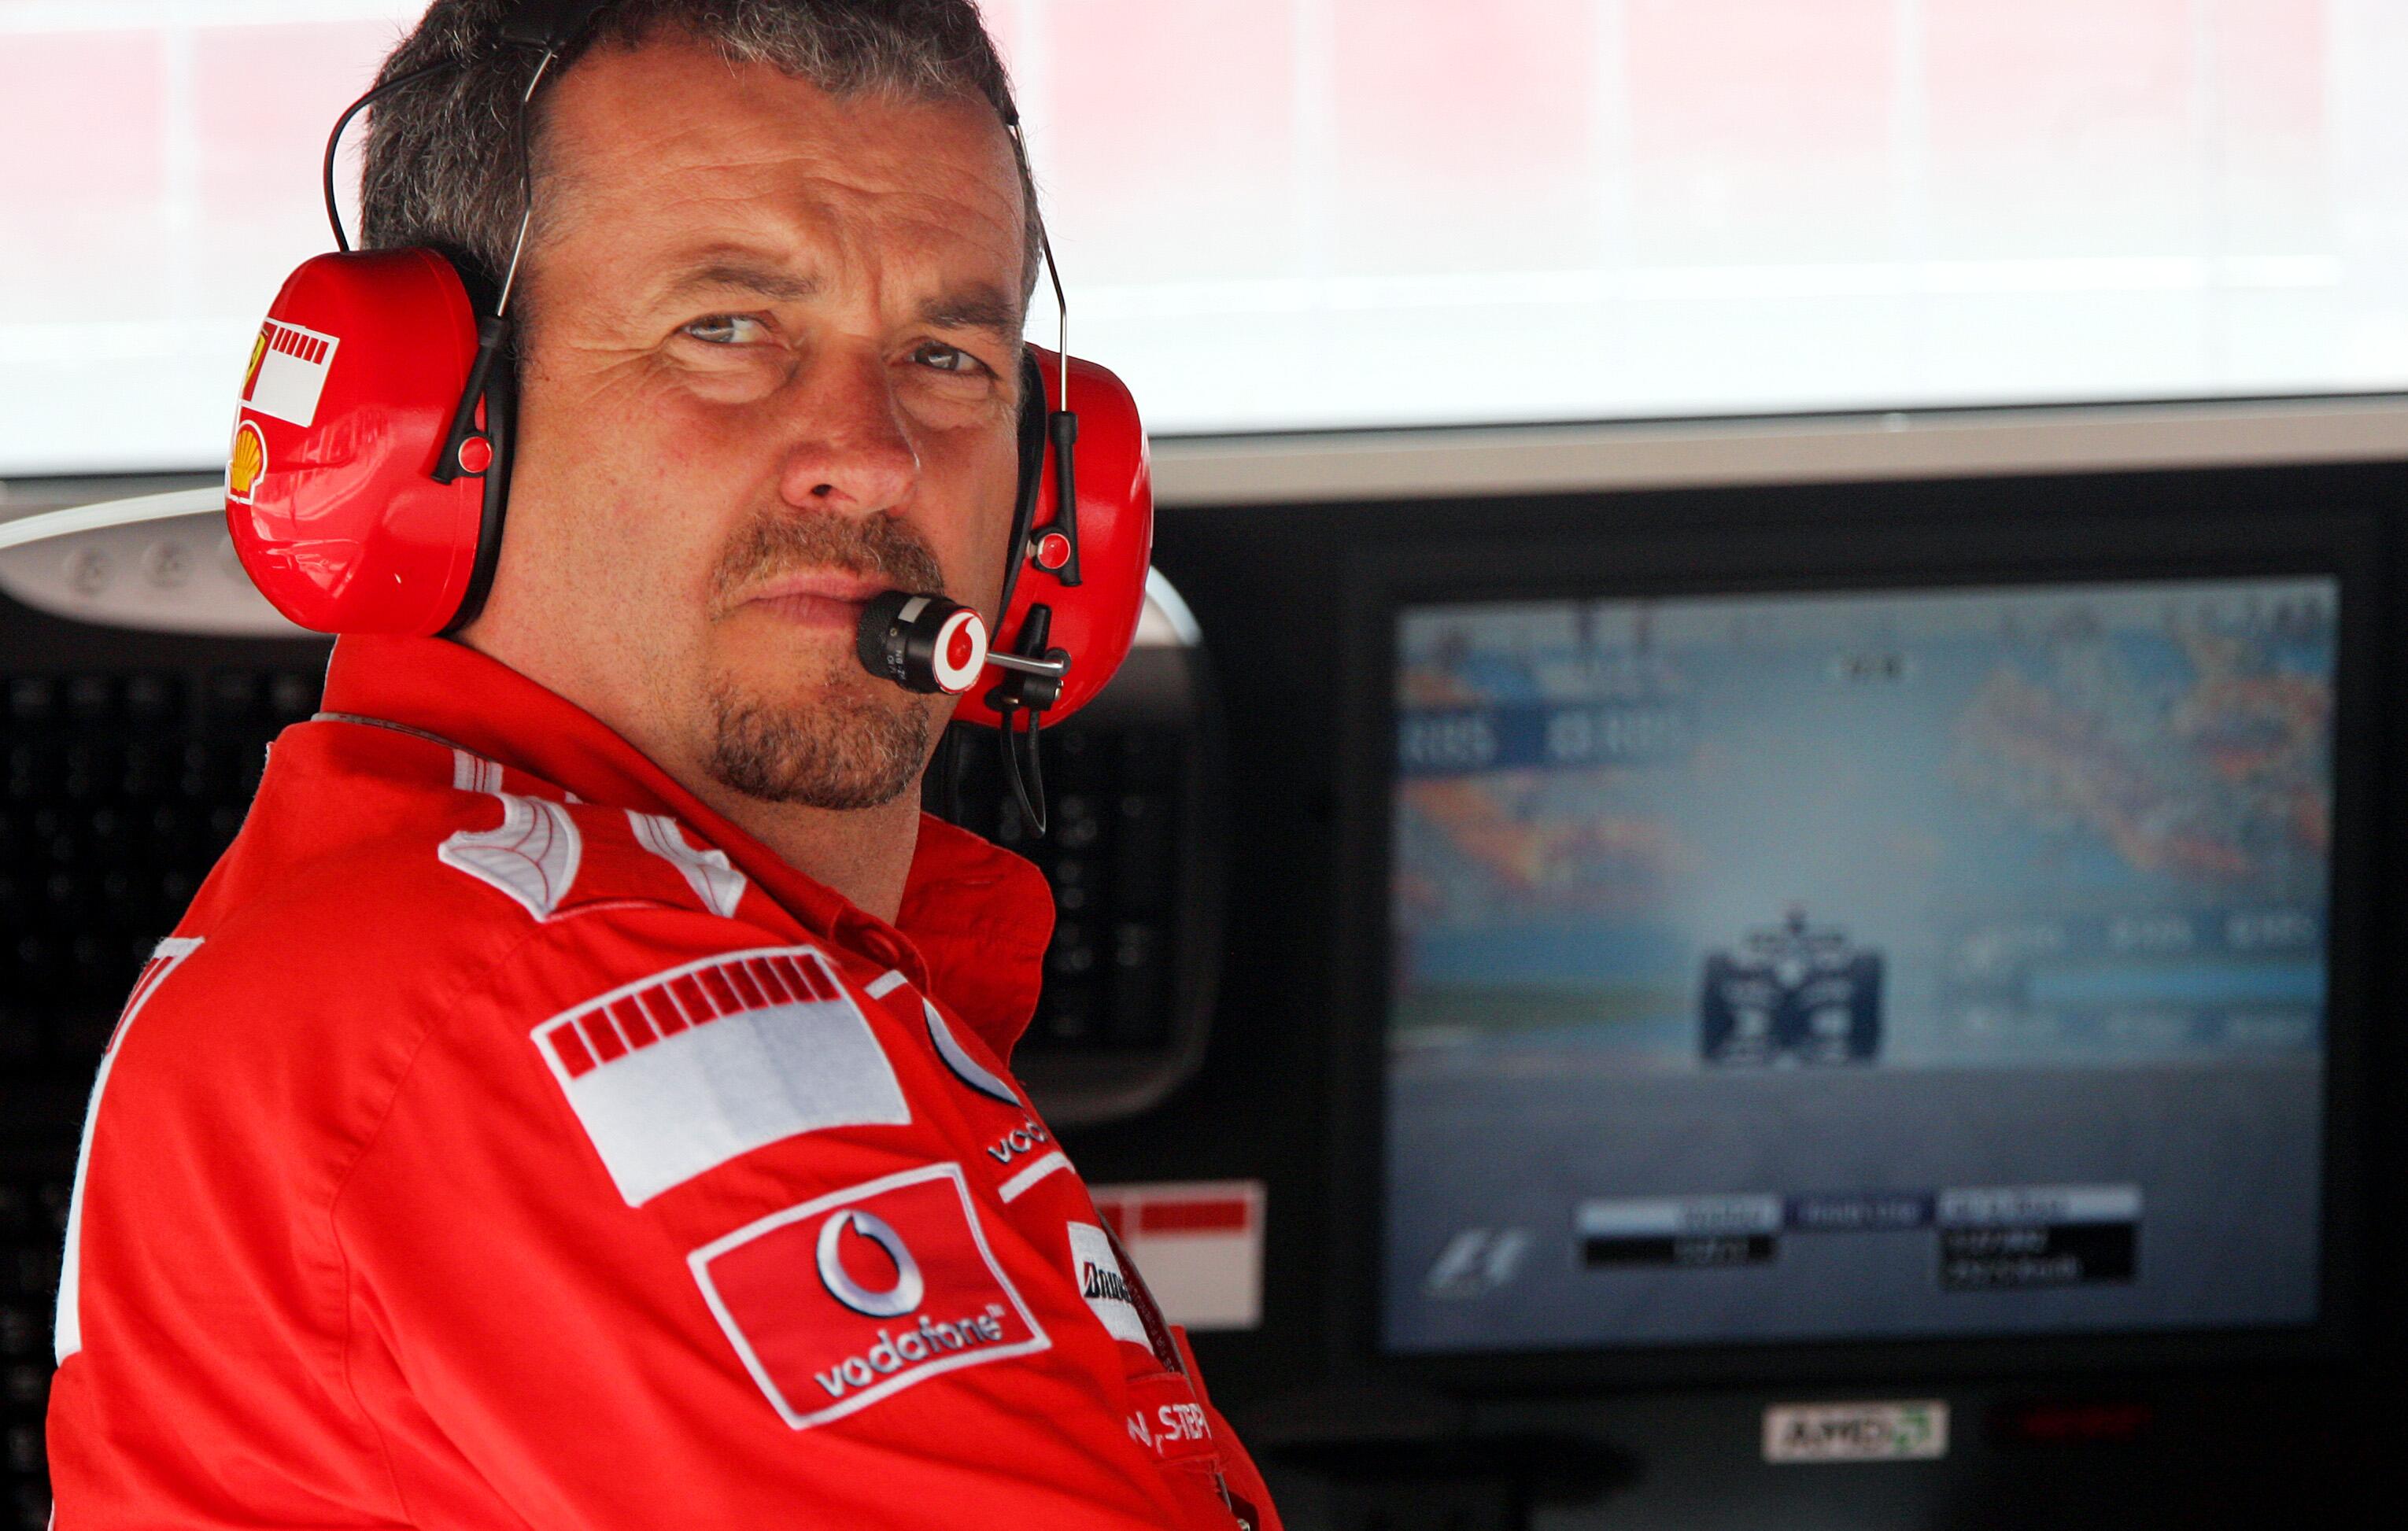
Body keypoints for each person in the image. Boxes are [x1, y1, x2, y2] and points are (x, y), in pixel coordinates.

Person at [44, 2, 1276, 1526]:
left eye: (945, 354)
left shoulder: (465, 947)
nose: (872, 453)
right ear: (430, 422)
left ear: (1052, 491)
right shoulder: (560, 1005)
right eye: (728, 330)